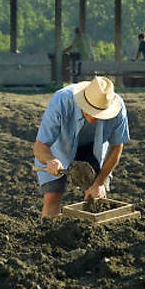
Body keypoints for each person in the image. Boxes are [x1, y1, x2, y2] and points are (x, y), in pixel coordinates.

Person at [33, 76, 130, 218]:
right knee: (52, 197)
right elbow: (40, 146)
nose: (93, 117)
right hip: (60, 148)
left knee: (96, 198)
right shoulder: (62, 101)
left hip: (93, 149)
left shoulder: (118, 110)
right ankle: (48, 232)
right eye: (89, 111)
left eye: (99, 113)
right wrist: (50, 160)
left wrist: (99, 182)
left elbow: (116, 148)